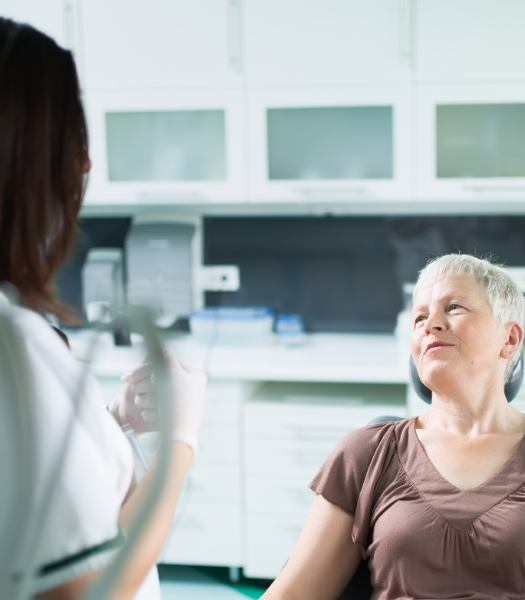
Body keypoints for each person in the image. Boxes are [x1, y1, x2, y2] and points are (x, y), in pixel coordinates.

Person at [0, 17, 206, 600]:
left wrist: (101, 426)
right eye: (68, 138)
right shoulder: (13, 344)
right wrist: (181, 444)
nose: (85, 164)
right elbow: (90, 590)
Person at [262, 253, 525, 599]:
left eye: (455, 307)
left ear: (509, 339)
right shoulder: (367, 454)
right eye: (419, 317)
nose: (431, 324)